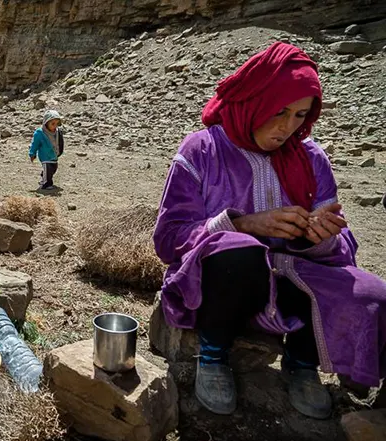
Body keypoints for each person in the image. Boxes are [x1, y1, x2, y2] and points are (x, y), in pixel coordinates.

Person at [153, 42, 386, 420]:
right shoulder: (202, 150)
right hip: (222, 283)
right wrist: (241, 224)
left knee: (372, 292)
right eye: (279, 111)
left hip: (295, 277)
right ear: (253, 99)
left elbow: (341, 254)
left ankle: (301, 362)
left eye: (300, 115)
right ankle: (212, 355)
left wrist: (320, 237)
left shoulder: (311, 157)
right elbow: (168, 238)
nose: (287, 127)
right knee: (238, 251)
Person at [28, 110, 65, 190]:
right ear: (46, 123)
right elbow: (35, 144)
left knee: (53, 169)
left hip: (54, 155)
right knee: (48, 168)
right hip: (45, 156)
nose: (55, 126)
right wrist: (32, 153)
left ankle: (44, 176)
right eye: (52, 124)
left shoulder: (57, 132)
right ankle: (46, 184)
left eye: (57, 123)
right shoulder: (40, 133)